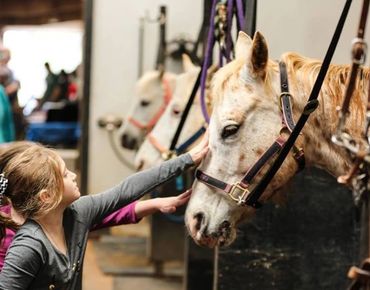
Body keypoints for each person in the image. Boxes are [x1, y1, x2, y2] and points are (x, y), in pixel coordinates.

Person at [0, 132, 208, 289]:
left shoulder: (79, 212)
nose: (73, 175)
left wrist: (188, 159)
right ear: (46, 196)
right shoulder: (28, 247)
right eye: (64, 174)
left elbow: (126, 190)